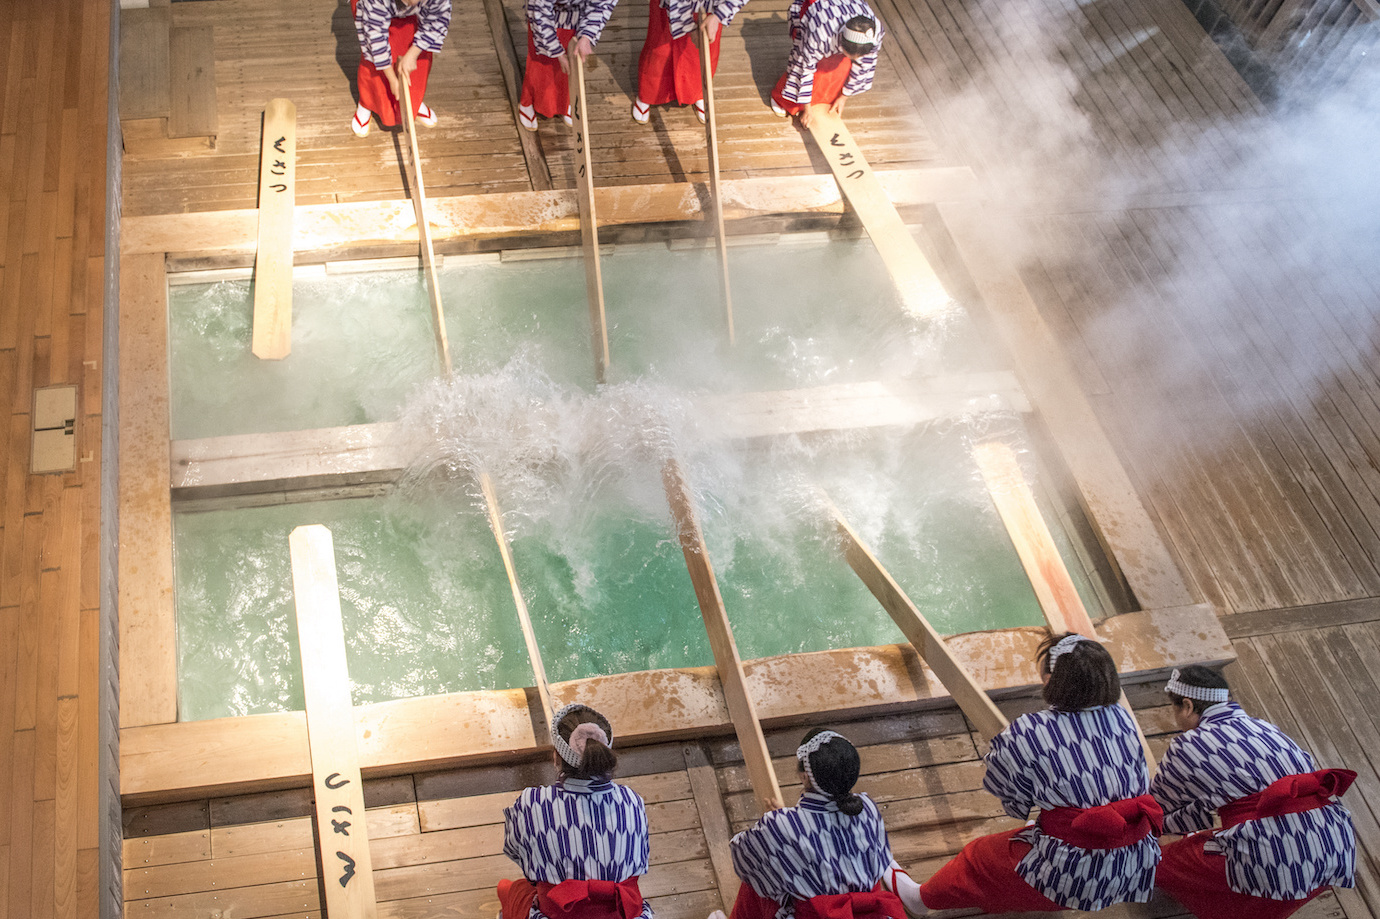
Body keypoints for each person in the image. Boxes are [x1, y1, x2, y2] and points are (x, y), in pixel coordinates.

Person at [893, 632, 1161, 916]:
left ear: (1051, 679)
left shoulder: (1031, 729)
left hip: (1077, 872)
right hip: (1136, 861)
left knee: (979, 858)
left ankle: (920, 900)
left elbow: (1010, 796)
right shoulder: (1120, 716)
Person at [1150, 665, 1358, 919]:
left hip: (1277, 859)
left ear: (1188, 706)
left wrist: (1164, 828)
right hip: (1333, 847)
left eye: (1173, 709)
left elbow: (1156, 806)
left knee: (1160, 863)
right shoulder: (1265, 728)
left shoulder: (1189, 744)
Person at [717, 729, 909, 919]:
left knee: (762, 863)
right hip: (873, 913)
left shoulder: (780, 825)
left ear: (805, 776)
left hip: (819, 914)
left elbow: (742, 857)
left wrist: (777, 827)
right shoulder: (867, 806)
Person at [498, 703, 653, 919]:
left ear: (556, 757)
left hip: (561, 912)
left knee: (510, 889)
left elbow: (516, 852)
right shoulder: (633, 801)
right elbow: (640, 861)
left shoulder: (531, 802)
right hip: (623, 914)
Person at [632, 0, 749, 125]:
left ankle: (698, 93)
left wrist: (719, 15)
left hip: (712, 6)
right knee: (659, 52)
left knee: (702, 54)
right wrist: (687, 26)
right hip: (672, 5)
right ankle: (648, 94)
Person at [771, 0, 883, 128]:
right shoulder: (820, 35)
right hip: (817, 12)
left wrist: (843, 97)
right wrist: (807, 109)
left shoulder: (875, 31)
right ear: (841, 41)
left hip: (846, 9)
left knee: (842, 69)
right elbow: (805, 68)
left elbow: (865, 65)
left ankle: (822, 100)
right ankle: (783, 100)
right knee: (816, 68)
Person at [351, 0, 453, 137]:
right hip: (375, 13)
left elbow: (438, 20)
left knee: (420, 61)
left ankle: (414, 102)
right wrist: (392, 79)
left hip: (415, 15)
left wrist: (413, 53)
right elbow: (376, 39)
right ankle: (366, 103)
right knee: (373, 65)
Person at [518, 0, 620, 131]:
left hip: (578, 15)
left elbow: (602, 3)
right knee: (540, 66)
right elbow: (539, 9)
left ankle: (565, 104)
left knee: (570, 68)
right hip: (544, 14)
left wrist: (587, 35)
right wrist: (557, 52)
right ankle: (527, 102)